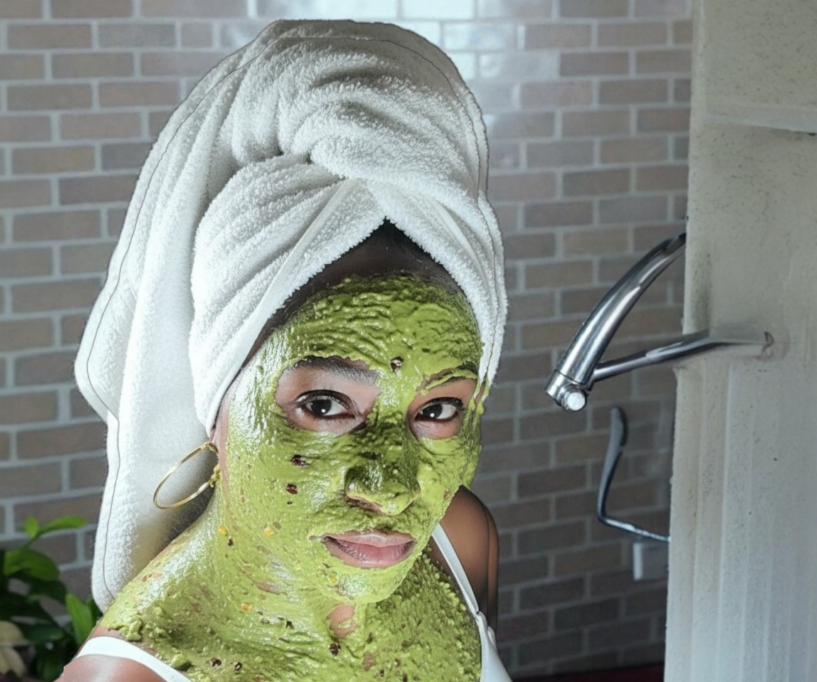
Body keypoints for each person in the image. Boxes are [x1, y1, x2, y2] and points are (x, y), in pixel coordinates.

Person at [62, 19, 511, 681]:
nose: (390, 490)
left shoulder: (458, 540)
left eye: (438, 409)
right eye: (325, 404)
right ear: (217, 405)